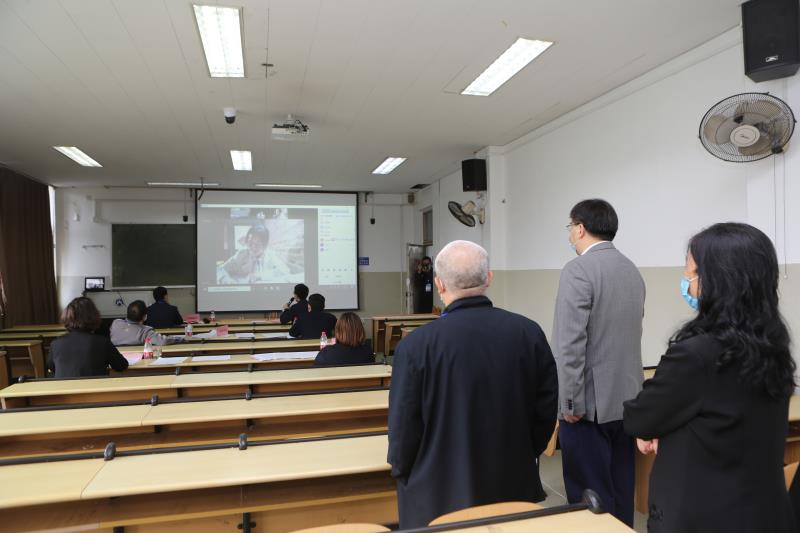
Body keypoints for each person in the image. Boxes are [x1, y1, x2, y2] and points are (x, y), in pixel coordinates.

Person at [624, 223, 796, 533]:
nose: (687, 283)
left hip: (704, 517)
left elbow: (639, 417)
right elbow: (725, 421)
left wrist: (658, 429)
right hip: (763, 513)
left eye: (691, 274)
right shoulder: (773, 347)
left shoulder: (696, 354)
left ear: (717, 282)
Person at [388, 240, 558, 528]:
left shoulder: (415, 347)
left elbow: (404, 427)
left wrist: (404, 473)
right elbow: (545, 410)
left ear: (439, 284)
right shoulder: (528, 333)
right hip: (511, 483)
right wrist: (524, 453)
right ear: (489, 278)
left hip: (437, 494)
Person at [552, 199, 645, 526]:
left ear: (580, 228)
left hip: (587, 406)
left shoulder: (577, 270)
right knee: (621, 490)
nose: (569, 235)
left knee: (589, 499)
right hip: (627, 402)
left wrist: (569, 402)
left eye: (570, 227)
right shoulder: (631, 269)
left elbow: (570, 343)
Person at [48, 297, 129, 378]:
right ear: (94, 316)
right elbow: (121, 366)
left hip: (64, 386)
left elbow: (51, 367)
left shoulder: (55, 343)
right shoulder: (102, 342)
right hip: (95, 385)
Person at [217, 224, 298, 283]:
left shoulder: (271, 255)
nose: (253, 247)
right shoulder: (242, 254)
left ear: (265, 245)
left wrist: (260, 275)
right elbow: (221, 269)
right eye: (250, 243)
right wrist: (227, 281)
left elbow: (285, 271)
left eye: (257, 244)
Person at [110, 300, 181, 346]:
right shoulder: (146, 331)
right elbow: (163, 341)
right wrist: (178, 338)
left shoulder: (115, 323)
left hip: (117, 360)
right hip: (139, 360)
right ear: (145, 317)